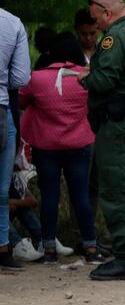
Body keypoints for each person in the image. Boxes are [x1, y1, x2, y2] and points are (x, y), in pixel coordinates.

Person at [77, 0, 125, 281]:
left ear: (106, 12)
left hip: (117, 124)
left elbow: (105, 80)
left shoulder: (115, 37)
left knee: (119, 190)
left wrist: (87, 77)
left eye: (96, 20)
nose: (96, 26)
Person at [19, 32, 102, 265]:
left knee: (49, 196)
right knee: (81, 195)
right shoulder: (87, 78)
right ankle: (91, 247)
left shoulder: (36, 78)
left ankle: (48, 250)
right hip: (79, 144)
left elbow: (21, 102)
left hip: (46, 146)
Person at [0, 7, 31, 271]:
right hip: (1, 111)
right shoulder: (12, 22)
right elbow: (21, 78)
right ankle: (2, 250)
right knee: (1, 189)